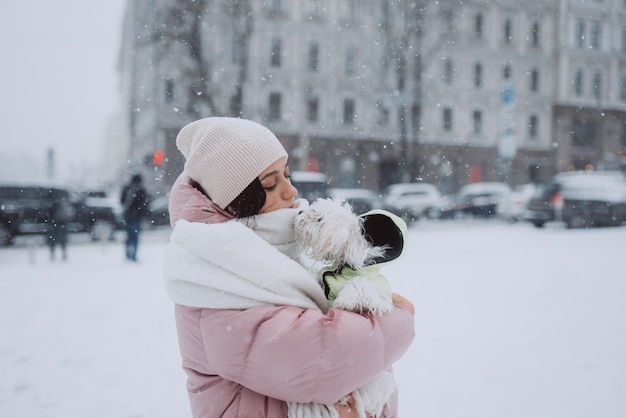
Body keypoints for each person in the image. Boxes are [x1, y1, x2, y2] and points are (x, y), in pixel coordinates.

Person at [163, 117, 415, 418]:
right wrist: (399, 318)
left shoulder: (279, 247)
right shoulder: (217, 269)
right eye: (271, 183)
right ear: (233, 202)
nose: (290, 191)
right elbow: (326, 360)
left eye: (286, 174)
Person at [120, 173, 148, 261]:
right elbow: (144, 204)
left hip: (127, 216)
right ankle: (134, 255)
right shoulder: (141, 190)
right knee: (135, 236)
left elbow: (121, 201)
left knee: (128, 236)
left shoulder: (126, 188)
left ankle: (128, 254)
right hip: (137, 217)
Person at [47, 193, 74, 261]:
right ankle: (63, 254)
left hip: (56, 224)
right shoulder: (63, 202)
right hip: (61, 223)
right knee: (61, 240)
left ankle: (54, 254)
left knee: (54, 240)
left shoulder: (52, 203)